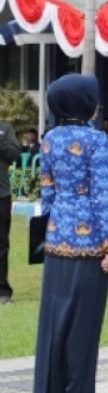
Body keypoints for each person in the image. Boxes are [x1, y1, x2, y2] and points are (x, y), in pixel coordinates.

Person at [33, 74, 108, 393]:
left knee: (56, 321)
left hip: (55, 242)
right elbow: (102, 196)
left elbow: (47, 193)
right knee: (84, 323)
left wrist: (50, 233)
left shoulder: (49, 139)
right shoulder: (97, 141)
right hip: (89, 244)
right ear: (83, 104)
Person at [0, 119, 22, 305]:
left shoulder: (5, 129)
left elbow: (15, 154)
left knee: (1, 244)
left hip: (1, 195)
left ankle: (2, 290)